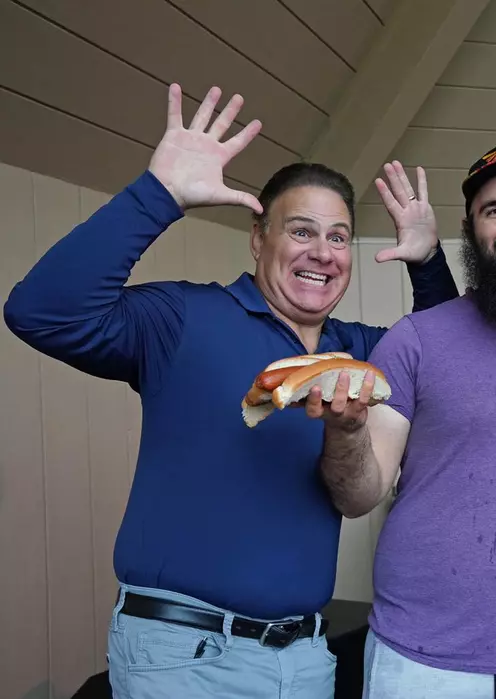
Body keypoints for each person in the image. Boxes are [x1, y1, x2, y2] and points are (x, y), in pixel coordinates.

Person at [3, 84, 459, 699]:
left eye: (338, 237)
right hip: (183, 657)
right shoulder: (183, 319)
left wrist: (428, 262)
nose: (321, 254)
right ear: (258, 236)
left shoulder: (361, 350)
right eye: (301, 231)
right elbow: (41, 313)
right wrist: (156, 196)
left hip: (304, 659)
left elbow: (454, 362)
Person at [305, 143, 496, 698]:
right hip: (422, 664)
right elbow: (359, 495)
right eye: (493, 210)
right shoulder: (415, 339)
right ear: (471, 232)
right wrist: (346, 431)